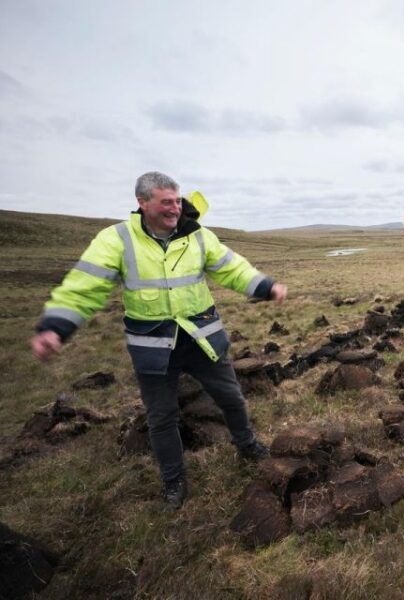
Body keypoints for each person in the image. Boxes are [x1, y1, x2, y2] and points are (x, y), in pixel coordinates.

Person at [30, 171, 287, 511]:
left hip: (202, 339)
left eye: (178, 201)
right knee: (161, 417)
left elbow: (231, 267)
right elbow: (84, 285)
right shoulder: (117, 239)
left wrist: (264, 286)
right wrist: (56, 326)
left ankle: (248, 445)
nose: (175, 208)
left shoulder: (197, 235)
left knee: (231, 397)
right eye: (166, 202)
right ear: (142, 202)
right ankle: (173, 482)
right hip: (152, 349)